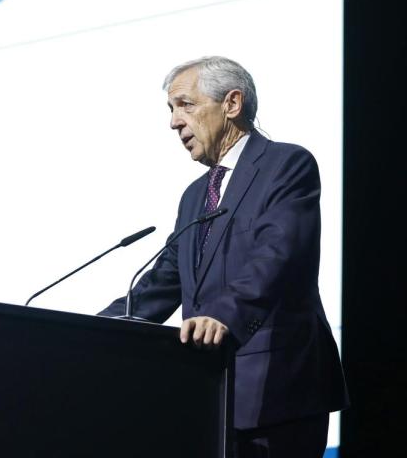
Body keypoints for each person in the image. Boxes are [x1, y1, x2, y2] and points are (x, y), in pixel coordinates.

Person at [100, 56, 348, 458]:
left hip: (277, 393)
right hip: (208, 399)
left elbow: (277, 256)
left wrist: (224, 316)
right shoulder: (195, 195)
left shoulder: (286, 165)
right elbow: (162, 282)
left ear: (232, 103)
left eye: (185, 105)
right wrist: (88, 331)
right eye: (170, 109)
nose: (174, 122)